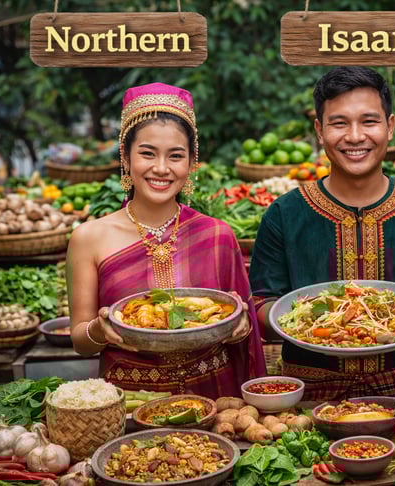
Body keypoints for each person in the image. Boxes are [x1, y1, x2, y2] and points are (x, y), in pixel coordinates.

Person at [248, 66, 395, 401]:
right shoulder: (285, 214)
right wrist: (307, 322)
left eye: (369, 121)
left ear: (390, 127)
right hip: (311, 399)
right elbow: (261, 303)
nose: (355, 136)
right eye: (339, 123)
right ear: (320, 131)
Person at [68, 82, 266, 398]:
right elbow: (80, 341)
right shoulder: (89, 238)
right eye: (147, 153)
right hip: (132, 402)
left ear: (191, 163)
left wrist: (240, 328)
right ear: (126, 157)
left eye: (175, 156)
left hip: (216, 400)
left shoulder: (217, 235)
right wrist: (99, 330)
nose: (161, 168)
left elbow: (242, 328)